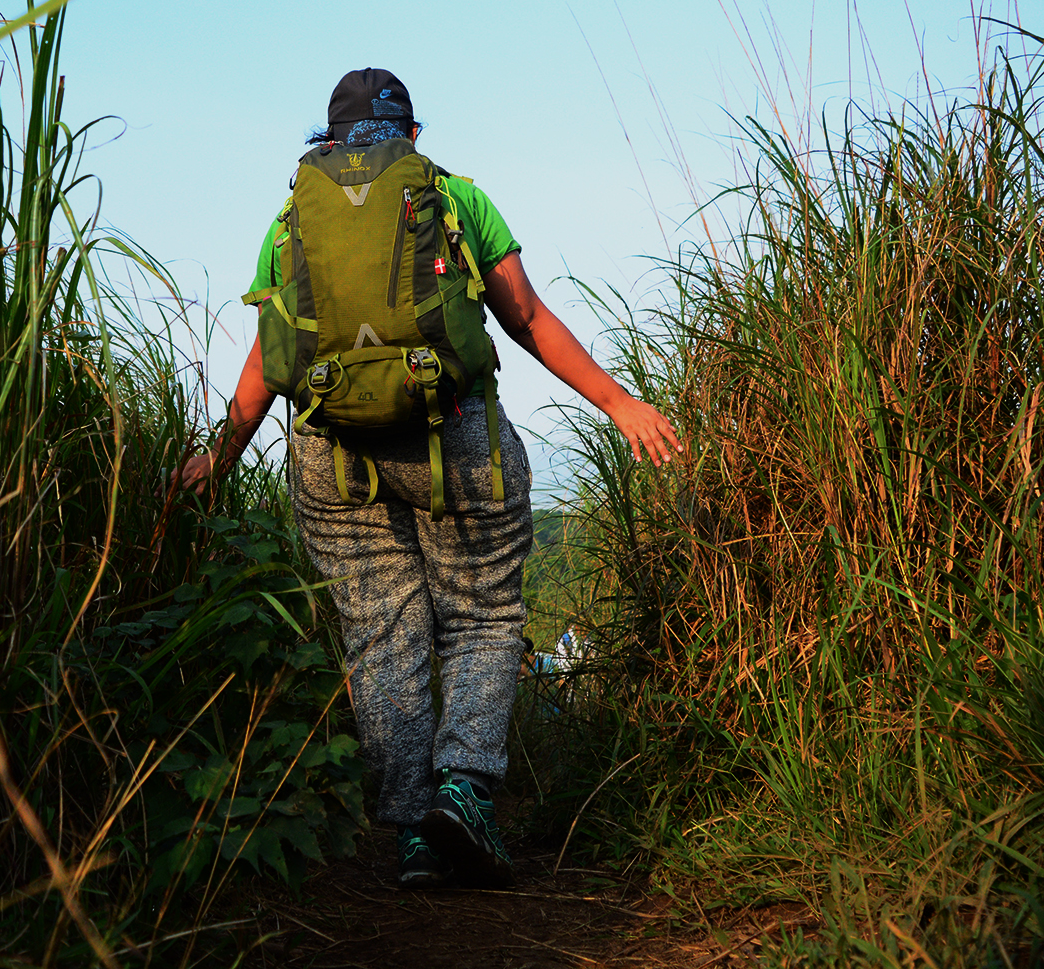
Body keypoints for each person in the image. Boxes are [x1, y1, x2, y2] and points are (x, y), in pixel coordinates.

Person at [176, 69, 681, 889]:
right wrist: (620, 403)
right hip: (454, 443)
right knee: (481, 611)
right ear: (411, 134)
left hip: (334, 457)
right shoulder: (453, 200)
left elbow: (269, 363)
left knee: (383, 633)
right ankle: (466, 792)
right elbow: (525, 317)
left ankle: (413, 835)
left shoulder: (291, 219)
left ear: (329, 139)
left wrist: (216, 458)